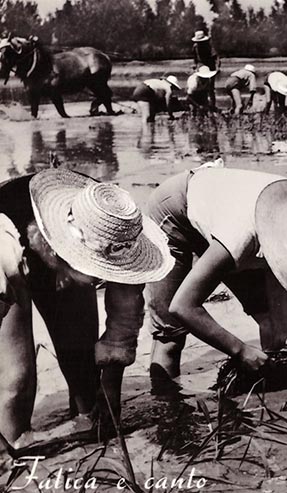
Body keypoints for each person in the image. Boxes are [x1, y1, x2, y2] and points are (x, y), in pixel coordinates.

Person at [146, 161, 287, 384]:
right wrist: (240, 350)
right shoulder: (242, 236)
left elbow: (279, 268)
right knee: (171, 336)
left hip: (225, 209)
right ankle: (168, 409)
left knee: (271, 325)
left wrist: (284, 331)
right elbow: (183, 307)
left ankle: (269, 382)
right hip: (174, 209)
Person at [0, 169, 173, 453]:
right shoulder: (3, 245)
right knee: (15, 381)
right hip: (9, 229)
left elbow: (123, 323)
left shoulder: (117, 226)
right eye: (92, 270)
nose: (97, 280)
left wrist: (111, 389)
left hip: (71, 239)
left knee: (84, 378)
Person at [192, 30, 219, 110]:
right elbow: (195, 57)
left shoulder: (209, 46)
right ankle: (201, 104)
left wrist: (217, 67)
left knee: (210, 87)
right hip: (200, 66)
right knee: (199, 85)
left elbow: (216, 57)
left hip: (210, 67)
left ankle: (212, 105)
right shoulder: (195, 46)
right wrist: (195, 65)